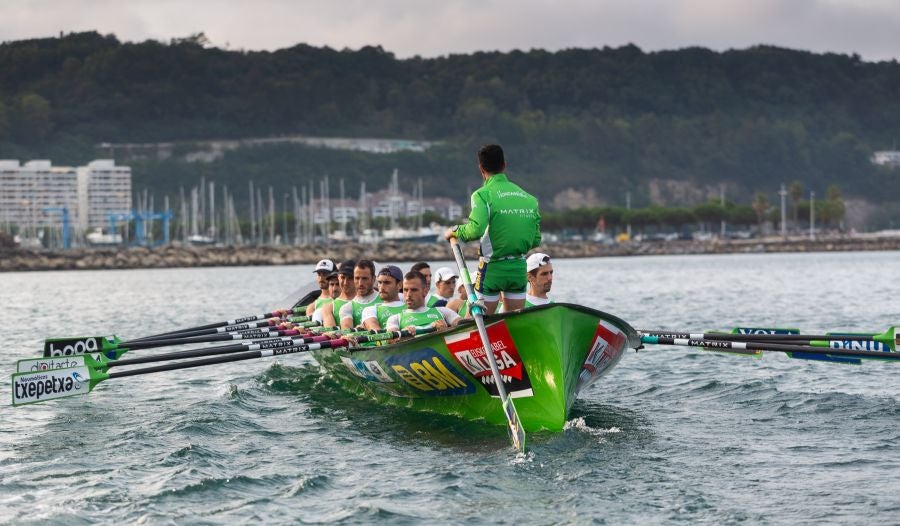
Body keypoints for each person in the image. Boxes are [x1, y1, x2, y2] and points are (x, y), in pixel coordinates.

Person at [444, 143, 541, 314]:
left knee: (475, 323)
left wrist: (455, 231)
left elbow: (475, 230)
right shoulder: (530, 199)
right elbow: (535, 240)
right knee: (513, 325)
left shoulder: (482, 195)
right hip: (519, 268)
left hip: (492, 269)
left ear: (481, 168)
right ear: (504, 165)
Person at [385, 271, 461, 336]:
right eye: (405, 290)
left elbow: (466, 326)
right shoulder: (395, 319)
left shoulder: (443, 312)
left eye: (414, 290)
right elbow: (391, 341)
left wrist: (447, 330)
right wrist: (404, 335)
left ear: (425, 291)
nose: (408, 295)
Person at [337, 259, 382, 329]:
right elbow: (348, 333)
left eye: (364, 279)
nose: (360, 283)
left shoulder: (386, 299)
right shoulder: (347, 308)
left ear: (373, 279)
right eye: (357, 278)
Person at [361, 265, 406, 330]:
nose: (381, 287)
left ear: (399, 285)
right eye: (379, 282)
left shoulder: (410, 308)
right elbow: (375, 331)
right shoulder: (370, 310)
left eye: (387, 283)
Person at [319, 260, 356, 327]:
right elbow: (331, 334)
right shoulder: (328, 307)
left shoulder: (369, 300)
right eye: (343, 277)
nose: (345, 283)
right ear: (338, 277)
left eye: (350, 278)